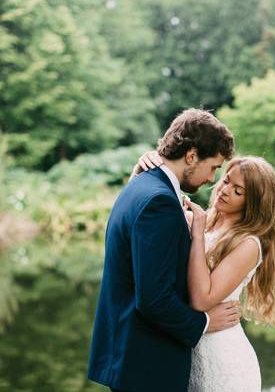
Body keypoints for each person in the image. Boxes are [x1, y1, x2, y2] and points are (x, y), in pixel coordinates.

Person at [87, 108, 243, 392]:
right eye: (213, 168)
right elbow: (154, 300)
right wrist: (205, 322)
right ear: (192, 155)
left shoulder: (139, 186)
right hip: (146, 367)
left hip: (130, 360)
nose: (211, 179)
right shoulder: (159, 202)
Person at [134, 150, 275, 392]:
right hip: (188, 353)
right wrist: (141, 173)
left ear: (254, 203)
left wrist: (197, 234)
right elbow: (143, 213)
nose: (225, 190)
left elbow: (201, 299)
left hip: (224, 364)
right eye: (226, 180)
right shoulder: (204, 220)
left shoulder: (248, 243)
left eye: (238, 191)